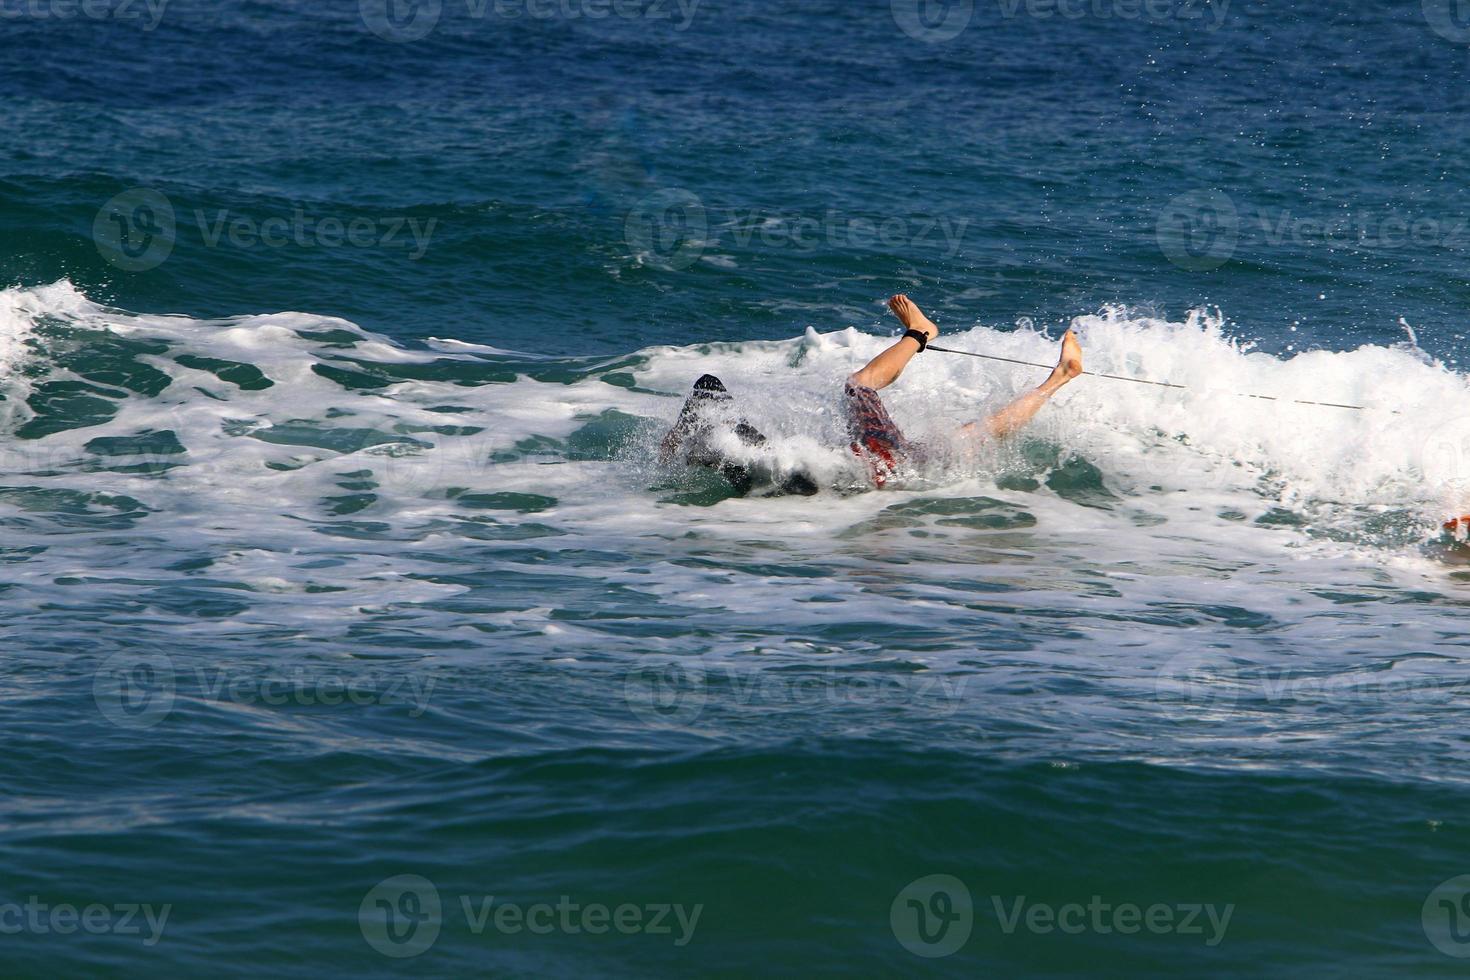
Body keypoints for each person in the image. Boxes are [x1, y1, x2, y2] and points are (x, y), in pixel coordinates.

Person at [660, 294, 1084, 493]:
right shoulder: (758, 465)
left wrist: (673, 450)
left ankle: (924, 333)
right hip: (882, 461)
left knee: (981, 432)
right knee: (859, 386)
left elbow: (708, 398)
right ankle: (1055, 379)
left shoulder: (754, 473)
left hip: (884, 469)